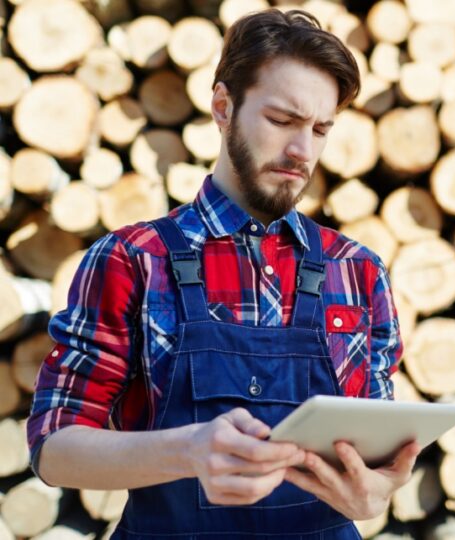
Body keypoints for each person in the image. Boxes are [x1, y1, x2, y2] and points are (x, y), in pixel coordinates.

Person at [26, 9, 420, 539]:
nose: (303, 151)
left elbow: (371, 451)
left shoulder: (357, 271)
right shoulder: (131, 258)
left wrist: (378, 490)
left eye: (320, 129)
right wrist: (186, 450)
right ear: (222, 106)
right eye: (282, 121)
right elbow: (55, 447)